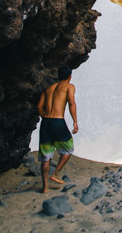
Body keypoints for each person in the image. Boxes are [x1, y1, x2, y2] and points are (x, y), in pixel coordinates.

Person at [37, 65, 79, 193]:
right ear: (70, 76)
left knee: (46, 157)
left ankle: (45, 188)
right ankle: (55, 174)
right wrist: (75, 122)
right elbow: (71, 103)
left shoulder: (48, 89)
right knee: (68, 148)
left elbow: (39, 107)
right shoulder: (69, 87)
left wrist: (46, 117)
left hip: (45, 123)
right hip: (58, 121)